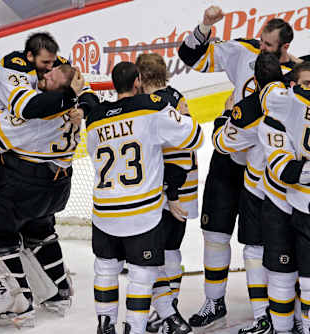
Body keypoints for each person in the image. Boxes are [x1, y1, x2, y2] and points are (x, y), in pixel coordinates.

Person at [178, 6, 300, 332]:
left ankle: (270, 313)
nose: (260, 47)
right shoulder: (244, 50)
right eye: (260, 40)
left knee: (260, 245)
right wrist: (205, 24)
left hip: (264, 173)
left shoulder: (299, 76)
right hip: (229, 162)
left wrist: (225, 121)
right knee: (214, 234)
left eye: (268, 45)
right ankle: (214, 302)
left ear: (284, 48)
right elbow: (191, 56)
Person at [0, 63, 90, 326]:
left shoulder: (34, 116)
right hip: (57, 187)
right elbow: (86, 93)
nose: (42, 78)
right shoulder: (71, 107)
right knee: (39, 229)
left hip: (27, 186)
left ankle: (20, 305)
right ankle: (60, 292)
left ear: (59, 90)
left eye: (49, 77)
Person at [87, 61, 203, 334]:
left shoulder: (94, 118)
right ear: (137, 81)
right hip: (141, 213)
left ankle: (105, 325)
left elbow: (95, 154)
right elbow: (195, 137)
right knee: (142, 274)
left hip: (104, 211)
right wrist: (182, 116)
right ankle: (135, 328)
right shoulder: (152, 108)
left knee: (105, 269)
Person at [212, 52, 288, 334]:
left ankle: (263, 318)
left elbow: (221, 144)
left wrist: (224, 116)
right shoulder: (297, 97)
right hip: (294, 191)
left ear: (254, 80)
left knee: (255, 252)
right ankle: (292, 316)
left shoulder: (248, 109)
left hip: (259, 191)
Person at [134, 53, 199, 333]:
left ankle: (166, 313)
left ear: (141, 78)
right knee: (171, 250)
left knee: (160, 252)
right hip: (185, 187)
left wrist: (171, 194)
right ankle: (167, 310)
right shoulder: (176, 96)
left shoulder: (155, 106)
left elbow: (175, 157)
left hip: (170, 190)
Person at [256, 61, 310, 334]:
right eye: (306, 85)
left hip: (304, 207)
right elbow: (284, 171)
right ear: (291, 88)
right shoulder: (271, 122)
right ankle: (282, 329)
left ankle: (301, 324)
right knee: (281, 277)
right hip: (279, 205)